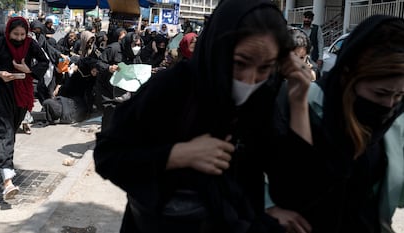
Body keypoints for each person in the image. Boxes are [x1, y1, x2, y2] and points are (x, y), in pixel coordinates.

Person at [93, 0, 312, 232]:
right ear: (218, 47)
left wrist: (299, 102)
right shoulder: (173, 87)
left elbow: (294, 186)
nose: (249, 80)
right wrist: (177, 154)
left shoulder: (261, 98)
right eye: (239, 63)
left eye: (264, 67)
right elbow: (109, 156)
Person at [266, 15, 404, 233]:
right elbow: (262, 165)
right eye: (381, 93)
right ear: (349, 76)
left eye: (399, 96)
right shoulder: (303, 101)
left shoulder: (396, 120)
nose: (389, 105)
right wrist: (269, 206)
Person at [0, 16, 49, 200]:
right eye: (16, 34)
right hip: (2, 93)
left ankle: (2, 169)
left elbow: (44, 62)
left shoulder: (31, 44)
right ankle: (7, 180)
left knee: (8, 134)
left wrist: (27, 71)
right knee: (5, 133)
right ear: (8, 32)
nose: (19, 38)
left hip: (22, 94)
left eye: (23, 34)